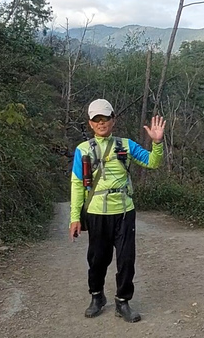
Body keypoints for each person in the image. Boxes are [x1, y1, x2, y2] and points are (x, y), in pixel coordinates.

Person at [69, 99, 166, 323]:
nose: (102, 123)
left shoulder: (126, 145)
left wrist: (157, 143)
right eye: (97, 120)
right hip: (96, 213)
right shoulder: (82, 150)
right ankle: (97, 296)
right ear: (91, 124)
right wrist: (75, 218)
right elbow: (76, 184)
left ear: (114, 120)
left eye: (106, 118)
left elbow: (152, 162)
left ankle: (123, 301)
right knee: (97, 258)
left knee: (126, 259)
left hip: (124, 211)